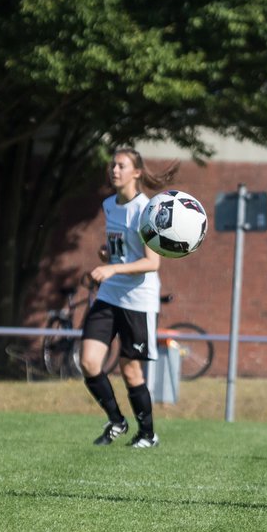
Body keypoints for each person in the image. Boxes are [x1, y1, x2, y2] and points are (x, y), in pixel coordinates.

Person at [84, 148, 176, 449]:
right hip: (110, 296)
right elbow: (118, 248)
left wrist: (111, 267)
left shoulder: (146, 211)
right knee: (89, 362)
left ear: (136, 172)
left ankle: (148, 434)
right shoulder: (109, 204)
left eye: (121, 166)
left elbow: (152, 263)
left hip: (139, 300)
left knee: (130, 369)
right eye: (112, 164)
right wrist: (107, 255)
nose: (114, 170)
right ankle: (117, 421)